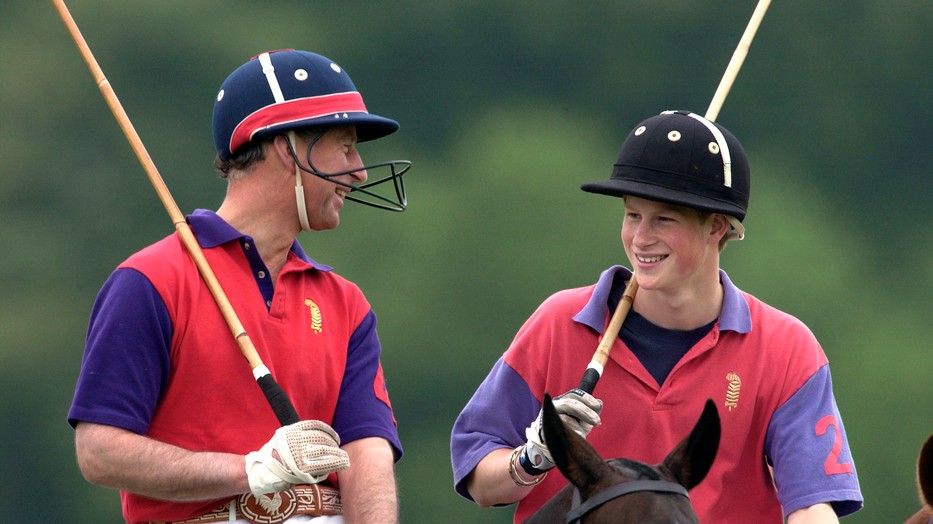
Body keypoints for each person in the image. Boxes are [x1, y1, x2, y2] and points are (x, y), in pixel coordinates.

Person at [451, 110, 863, 523]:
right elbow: (480, 483)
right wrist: (533, 455)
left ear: (717, 226)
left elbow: (811, 505)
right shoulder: (560, 322)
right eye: (633, 215)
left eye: (663, 219)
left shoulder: (787, 348)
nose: (640, 238)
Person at [68, 49, 410, 524]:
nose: (360, 172)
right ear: (287, 147)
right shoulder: (151, 281)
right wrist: (250, 469)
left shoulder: (345, 302)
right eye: (346, 145)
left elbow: (365, 451)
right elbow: (99, 451)